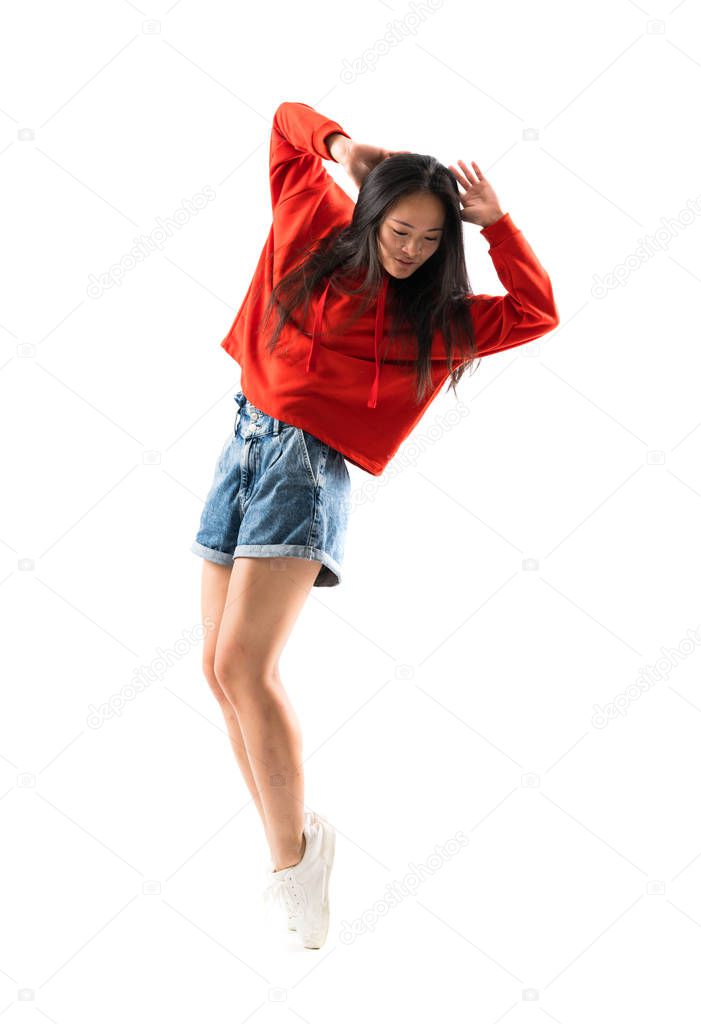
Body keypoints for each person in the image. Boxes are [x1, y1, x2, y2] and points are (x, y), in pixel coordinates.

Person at [190, 101, 560, 949]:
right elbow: (285, 120)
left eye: (431, 240)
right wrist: (346, 148)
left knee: (246, 665)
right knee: (217, 671)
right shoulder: (312, 226)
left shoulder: (436, 318)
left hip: (303, 473)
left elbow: (537, 310)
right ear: (370, 211)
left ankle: (292, 868)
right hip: (241, 441)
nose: (413, 250)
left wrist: (498, 225)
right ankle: (291, 852)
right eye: (401, 230)